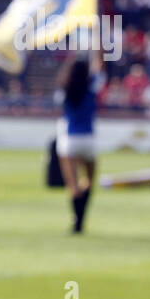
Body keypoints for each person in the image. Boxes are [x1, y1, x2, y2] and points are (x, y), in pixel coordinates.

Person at [56, 55, 104, 234]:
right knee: (89, 181)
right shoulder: (91, 87)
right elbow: (100, 67)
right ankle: (82, 219)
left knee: (73, 186)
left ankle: (76, 223)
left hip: (70, 140)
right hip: (88, 140)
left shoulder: (64, 89)